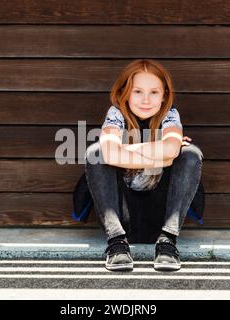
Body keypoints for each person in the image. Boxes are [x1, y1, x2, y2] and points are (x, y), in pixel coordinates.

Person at [84, 59, 203, 272]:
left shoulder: (170, 115)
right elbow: (108, 152)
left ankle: (167, 243)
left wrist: (124, 152)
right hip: (122, 215)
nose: (146, 100)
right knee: (95, 153)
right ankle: (117, 245)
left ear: (164, 94)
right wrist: (161, 154)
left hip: (160, 213)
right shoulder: (116, 114)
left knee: (190, 155)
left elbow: (171, 151)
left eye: (154, 92)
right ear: (125, 93)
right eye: (138, 91)